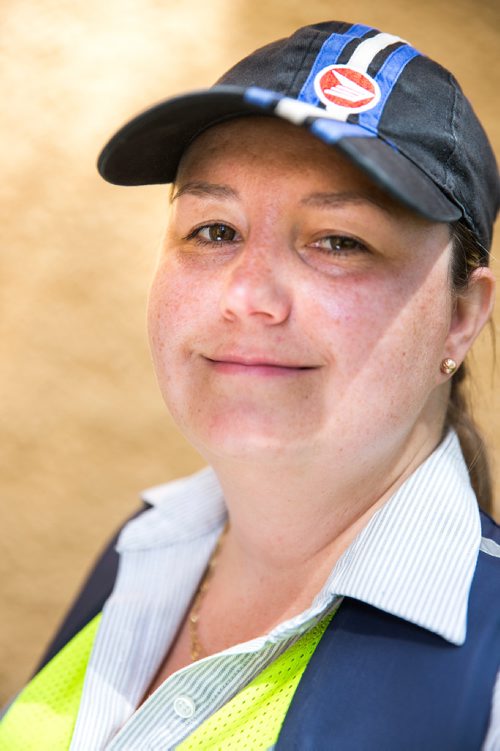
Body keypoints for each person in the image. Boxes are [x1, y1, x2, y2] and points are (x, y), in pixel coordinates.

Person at [1, 19, 499, 751]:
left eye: (339, 241)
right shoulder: (145, 546)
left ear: (461, 316)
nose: (248, 297)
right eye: (215, 230)